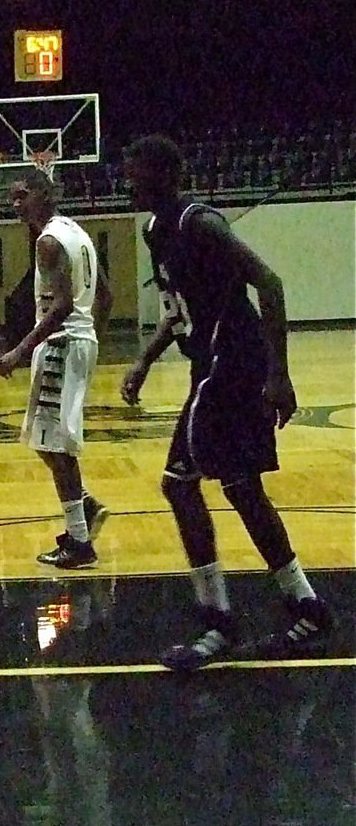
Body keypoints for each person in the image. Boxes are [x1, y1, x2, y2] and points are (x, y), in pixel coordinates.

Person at [120, 134, 332, 669]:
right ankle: (306, 605)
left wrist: (279, 375)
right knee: (240, 487)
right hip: (211, 366)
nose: (127, 180)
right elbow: (179, 309)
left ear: (164, 176)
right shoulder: (155, 231)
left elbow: (272, 284)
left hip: (232, 366)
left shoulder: (202, 225)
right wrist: (145, 359)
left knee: (178, 484)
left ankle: (218, 620)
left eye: (135, 171)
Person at [0, 169, 112, 569]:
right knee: (44, 439)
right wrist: (95, 337)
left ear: (45, 195)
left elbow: (61, 306)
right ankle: (85, 508)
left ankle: (80, 542)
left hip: (62, 345)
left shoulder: (48, 241)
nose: (15, 205)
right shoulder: (76, 234)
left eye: (22, 196)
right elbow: (107, 294)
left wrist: (20, 350)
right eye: (11, 198)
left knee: (54, 444)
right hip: (79, 343)